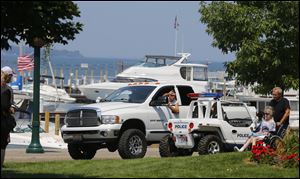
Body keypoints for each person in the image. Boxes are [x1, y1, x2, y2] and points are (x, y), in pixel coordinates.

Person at [1, 66, 15, 171]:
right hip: (3, 120)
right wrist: (11, 109)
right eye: (11, 75)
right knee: (2, 143)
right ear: (8, 76)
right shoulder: (7, 90)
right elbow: (6, 105)